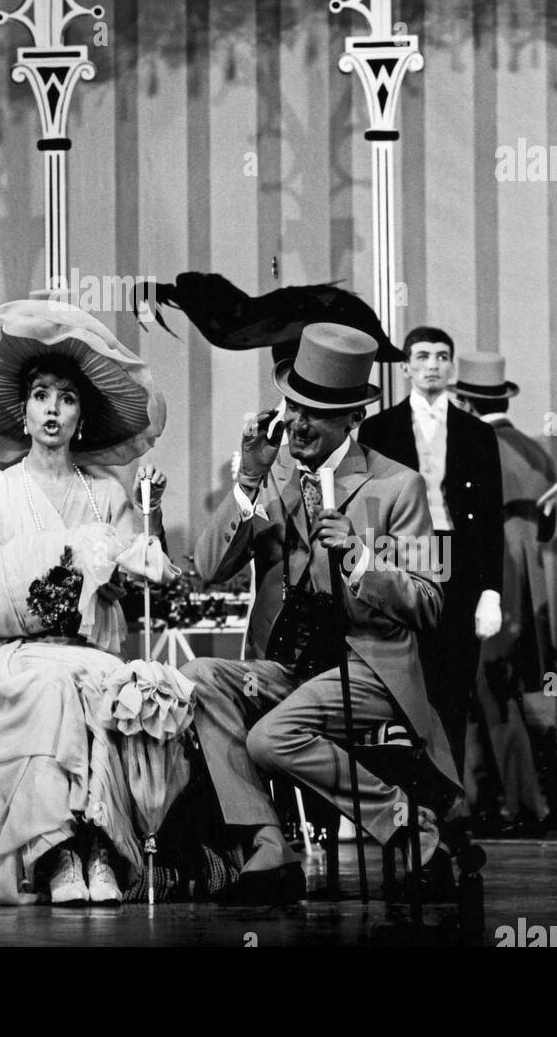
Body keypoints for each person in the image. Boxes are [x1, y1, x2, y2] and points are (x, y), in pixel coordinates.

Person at [184, 323, 459, 904]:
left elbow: (431, 602)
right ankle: (268, 844)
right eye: (293, 406)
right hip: (285, 666)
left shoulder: (397, 486)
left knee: (270, 739)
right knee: (197, 678)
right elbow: (208, 567)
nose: (298, 424)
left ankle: (408, 825)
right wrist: (248, 482)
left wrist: (362, 559)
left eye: (316, 413)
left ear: (351, 419)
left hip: (366, 670)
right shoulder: (273, 473)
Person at [0, 296, 170, 905]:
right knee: (50, 689)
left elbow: (142, 569)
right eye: (42, 395)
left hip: (84, 648)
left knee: (106, 685)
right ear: (23, 413)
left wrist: (142, 535)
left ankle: (101, 849)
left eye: (67, 399)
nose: (53, 409)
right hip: (12, 655)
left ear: (81, 420)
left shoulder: (106, 496)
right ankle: (59, 852)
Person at [356, 326, 505, 772]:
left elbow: (491, 516)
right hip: (405, 556)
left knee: (454, 681)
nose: (432, 365)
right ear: (405, 368)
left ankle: (449, 804)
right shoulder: (379, 429)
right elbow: (371, 509)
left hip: (457, 556)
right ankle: (408, 800)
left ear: (452, 367)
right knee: (404, 679)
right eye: (422, 356)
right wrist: (372, 577)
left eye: (442, 356)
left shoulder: (477, 434)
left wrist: (491, 591)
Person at [450, 353, 553, 832]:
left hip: (490, 580)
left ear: (465, 401)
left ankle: (517, 806)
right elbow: (548, 529)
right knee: (495, 692)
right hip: (533, 590)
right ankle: (489, 802)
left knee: (487, 693)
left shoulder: (471, 445)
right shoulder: (537, 452)